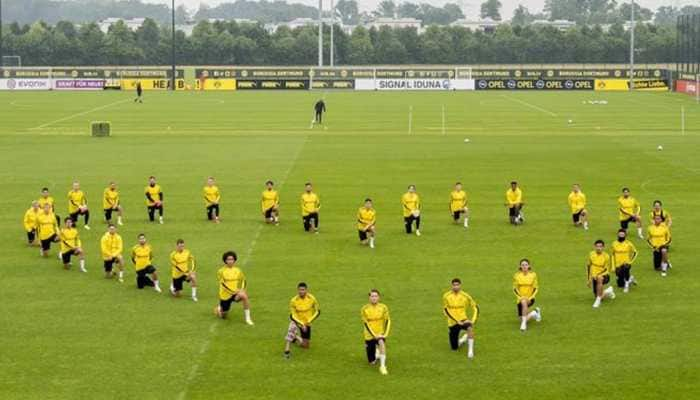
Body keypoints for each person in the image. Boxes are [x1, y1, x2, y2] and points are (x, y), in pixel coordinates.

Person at [215, 251, 254, 325]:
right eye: (228, 259)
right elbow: (223, 285)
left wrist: (241, 289)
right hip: (225, 295)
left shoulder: (238, 270)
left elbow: (243, 280)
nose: (230, 261)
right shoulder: (221, 271)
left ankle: (248, 318)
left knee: (244, 296)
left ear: (234, 260)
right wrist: (233, 291)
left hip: (235, 294)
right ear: (225, 260)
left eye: (232, 259)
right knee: (224, 316)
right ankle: (219, 309)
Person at [442, 278, 478, 357]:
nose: (456, 287)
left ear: (460, 285)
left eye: (457, 285)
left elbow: (475, 307)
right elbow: (445, 311)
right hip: (452, 322)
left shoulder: (465, 296)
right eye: (454, 285)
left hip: (463, 320)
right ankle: (462, 340)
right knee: (454, 348)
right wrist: (456, 320)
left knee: (469, 328)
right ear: (451, 286)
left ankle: (470, 351)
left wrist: (472, 320)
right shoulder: (446, 296)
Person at [284, 282, 320, 358]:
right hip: (297, 321)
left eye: (303, 290)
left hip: (307, 323)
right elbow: (292, 316)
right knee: (291, 328)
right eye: (300, 290)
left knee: (306, 346)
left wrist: (308, 322)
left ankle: (295, 337)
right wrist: (300, 324)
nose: (301, 291)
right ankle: (287, 351)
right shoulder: (294, 300)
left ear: (306, 290)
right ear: (297, 290)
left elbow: (318, 311)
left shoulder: (312, 298)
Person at [361, 289, 391, 375]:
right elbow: (366, 324)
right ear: (369, 298)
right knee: (372, 362)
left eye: (376, 296)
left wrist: (385, 334)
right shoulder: (364, 309)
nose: (374, 298)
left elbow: (388, 320)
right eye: (372, 296)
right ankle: (376, 353)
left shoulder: (383, 307)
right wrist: (374, 335)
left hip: (380, 333)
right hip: (369, 335)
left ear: (379, 297)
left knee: (381, 343)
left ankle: (382, 366)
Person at [512, 259, 542, 331]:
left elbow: (535, 288)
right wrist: (520, 297)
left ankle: (523, 325)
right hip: (520, 298)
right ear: (520, 266)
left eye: (526, 265)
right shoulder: (517, 276)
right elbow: (515, 288)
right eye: (522, 265)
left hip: (530, 298)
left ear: (529, 266)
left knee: (524, 302)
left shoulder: (533, 275)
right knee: (521, 318)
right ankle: (535, 312)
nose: (524, 266)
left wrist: (530, 297)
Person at [587, 240, 616, 308]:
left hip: (604, 275)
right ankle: (608, 291)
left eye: (600, 246)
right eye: (597, 246)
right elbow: (588, 266)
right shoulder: (591, 254)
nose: (598, 248)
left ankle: (597, 301)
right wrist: (589, 279)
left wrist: (597, 275)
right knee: (599, 295)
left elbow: (606, 269)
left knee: (599, 278)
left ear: (603, 247)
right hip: (594, 276)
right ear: (594, 246)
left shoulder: (606, 256)